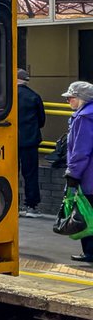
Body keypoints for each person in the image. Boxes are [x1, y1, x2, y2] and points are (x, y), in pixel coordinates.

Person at [61, 81, 93, 262]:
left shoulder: (83, 118)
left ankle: (90, 252)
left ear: (81, 99)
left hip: (88, 175)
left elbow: (80, 151)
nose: (68, 102)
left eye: (70, 98)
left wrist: (72, 173)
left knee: (85, 212)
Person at [17, 69, 46, 215]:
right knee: (31, 174)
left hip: (11, 141)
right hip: (30, 141)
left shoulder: (7, 97)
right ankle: (32, 206)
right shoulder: (34, 96)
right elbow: (42, 120)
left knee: (10, 173)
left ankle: (12, 206)